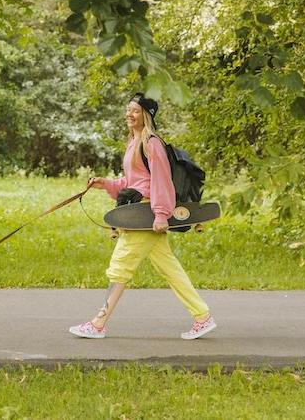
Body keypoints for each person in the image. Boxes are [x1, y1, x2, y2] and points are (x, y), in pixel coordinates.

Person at [68, 93, 216, 340]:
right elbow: (133, 181)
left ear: (146, 115)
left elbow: (161, 181)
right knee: (169, 267)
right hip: (139, 209)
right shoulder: (133, 141)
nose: (129, 114)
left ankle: (98, 323)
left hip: (146, 214)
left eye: (135, 110)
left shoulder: (152, 143)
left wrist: (160, 214)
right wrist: (106, 184)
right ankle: (203, 317)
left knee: (121, 266)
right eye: (128, 109)